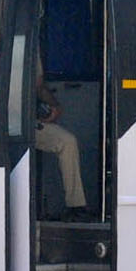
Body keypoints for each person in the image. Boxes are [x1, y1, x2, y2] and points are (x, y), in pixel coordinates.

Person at [34, 72, 86, 219]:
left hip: (26, 123)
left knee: (67, 142)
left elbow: (39, 86)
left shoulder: (34, 58)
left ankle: (76, 205)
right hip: (4, 124)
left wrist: (54, 106)